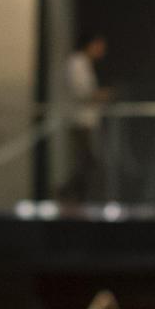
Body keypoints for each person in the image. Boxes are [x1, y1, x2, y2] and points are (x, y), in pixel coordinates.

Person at [57, 35, 109, 202]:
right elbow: (82, 92)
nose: (102, 52)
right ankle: (68, 193)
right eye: (100, 47)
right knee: (87, 161)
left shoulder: (84, 64)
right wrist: (99, 95)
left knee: (87, 161)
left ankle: (75, 195)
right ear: (92, 44)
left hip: (87, 120)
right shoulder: (76, 63)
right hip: (79, 120)